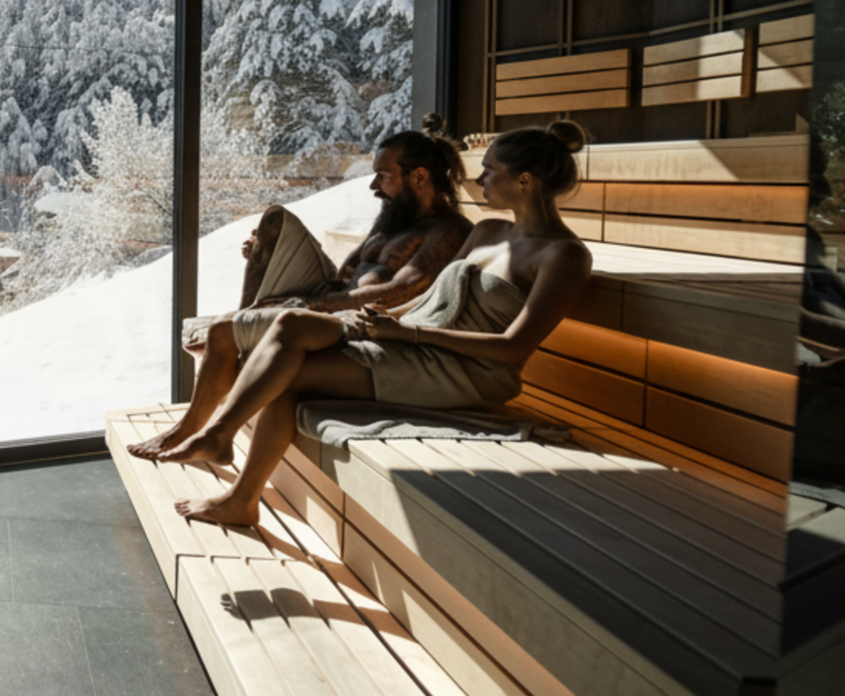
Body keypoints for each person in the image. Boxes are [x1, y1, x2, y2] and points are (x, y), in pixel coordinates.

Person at [162, 120, 595, 527]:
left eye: (490, 171)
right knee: (293, 325)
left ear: (525, 181)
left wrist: (408, 333)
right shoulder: (488, 232)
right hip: (416, 340)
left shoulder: (564, 256)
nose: (480, 180)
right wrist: (386, 319)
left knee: (286, 373)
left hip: (467, 371)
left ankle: (237, 489)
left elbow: (513, 349)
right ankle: (221, 441)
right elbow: (434, 298)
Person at [129, 116, 472, 460]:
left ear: (420, 177)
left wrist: (315, 304)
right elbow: (346, 273)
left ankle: (192, 431)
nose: (373, 186)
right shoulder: (393, 221)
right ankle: (246, 324)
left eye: (383, 176)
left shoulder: (448, 230)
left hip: (358, 322)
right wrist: (270, 255)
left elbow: (403, 289)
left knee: (221, 332)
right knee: (274, 222)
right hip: (333, 298)